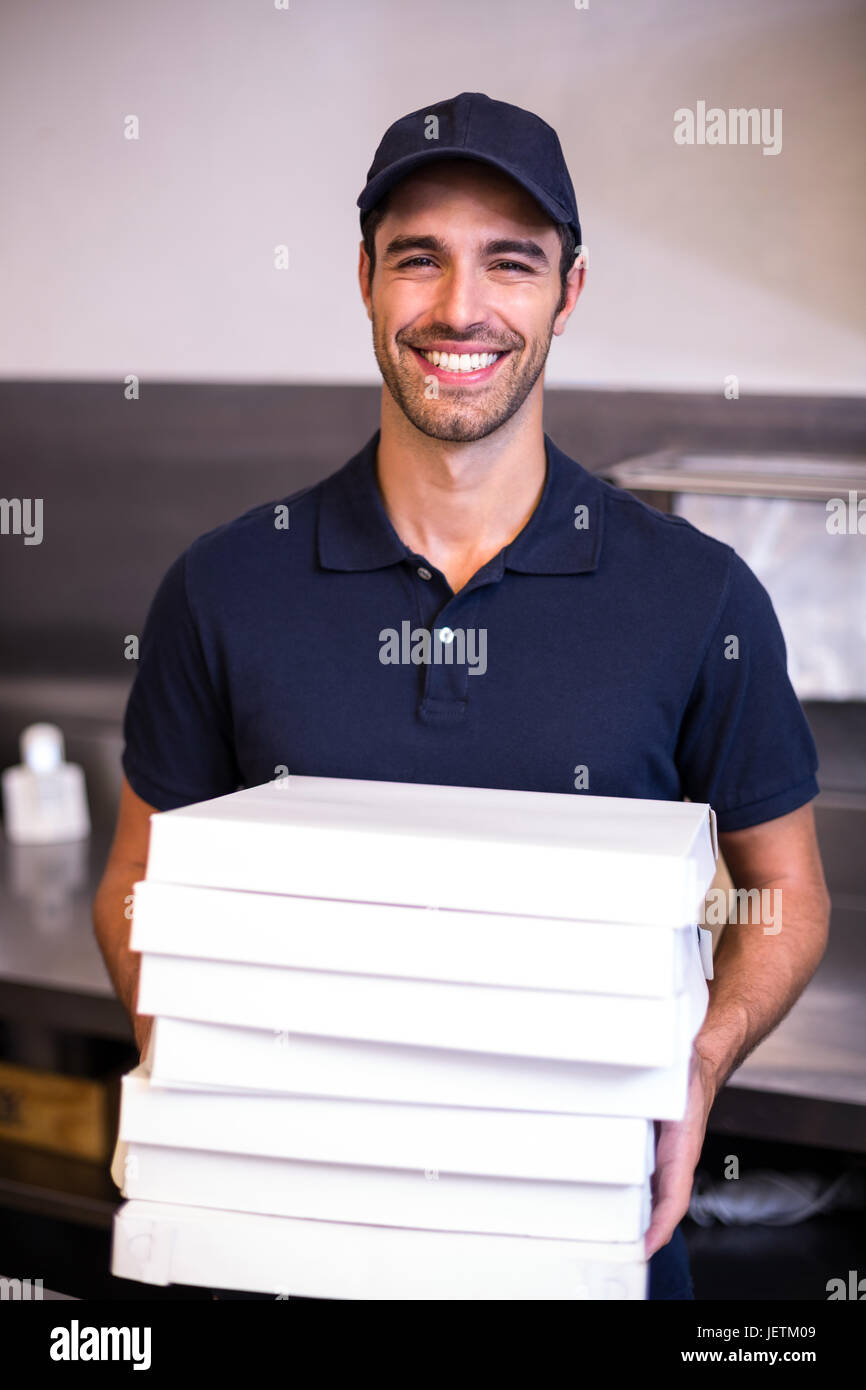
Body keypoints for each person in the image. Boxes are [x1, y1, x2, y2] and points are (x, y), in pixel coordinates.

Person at [94, 91, 831, 1302]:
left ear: (568, 293)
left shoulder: (696, 598)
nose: (458, 308)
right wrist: (209, 1063)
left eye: (509, 262)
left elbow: (785, 890)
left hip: (583, 1234)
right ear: (366, 282)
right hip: (288, 1243)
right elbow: (137, 876)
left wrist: (692, 1066)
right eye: (417, 259)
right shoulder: (224, 582)